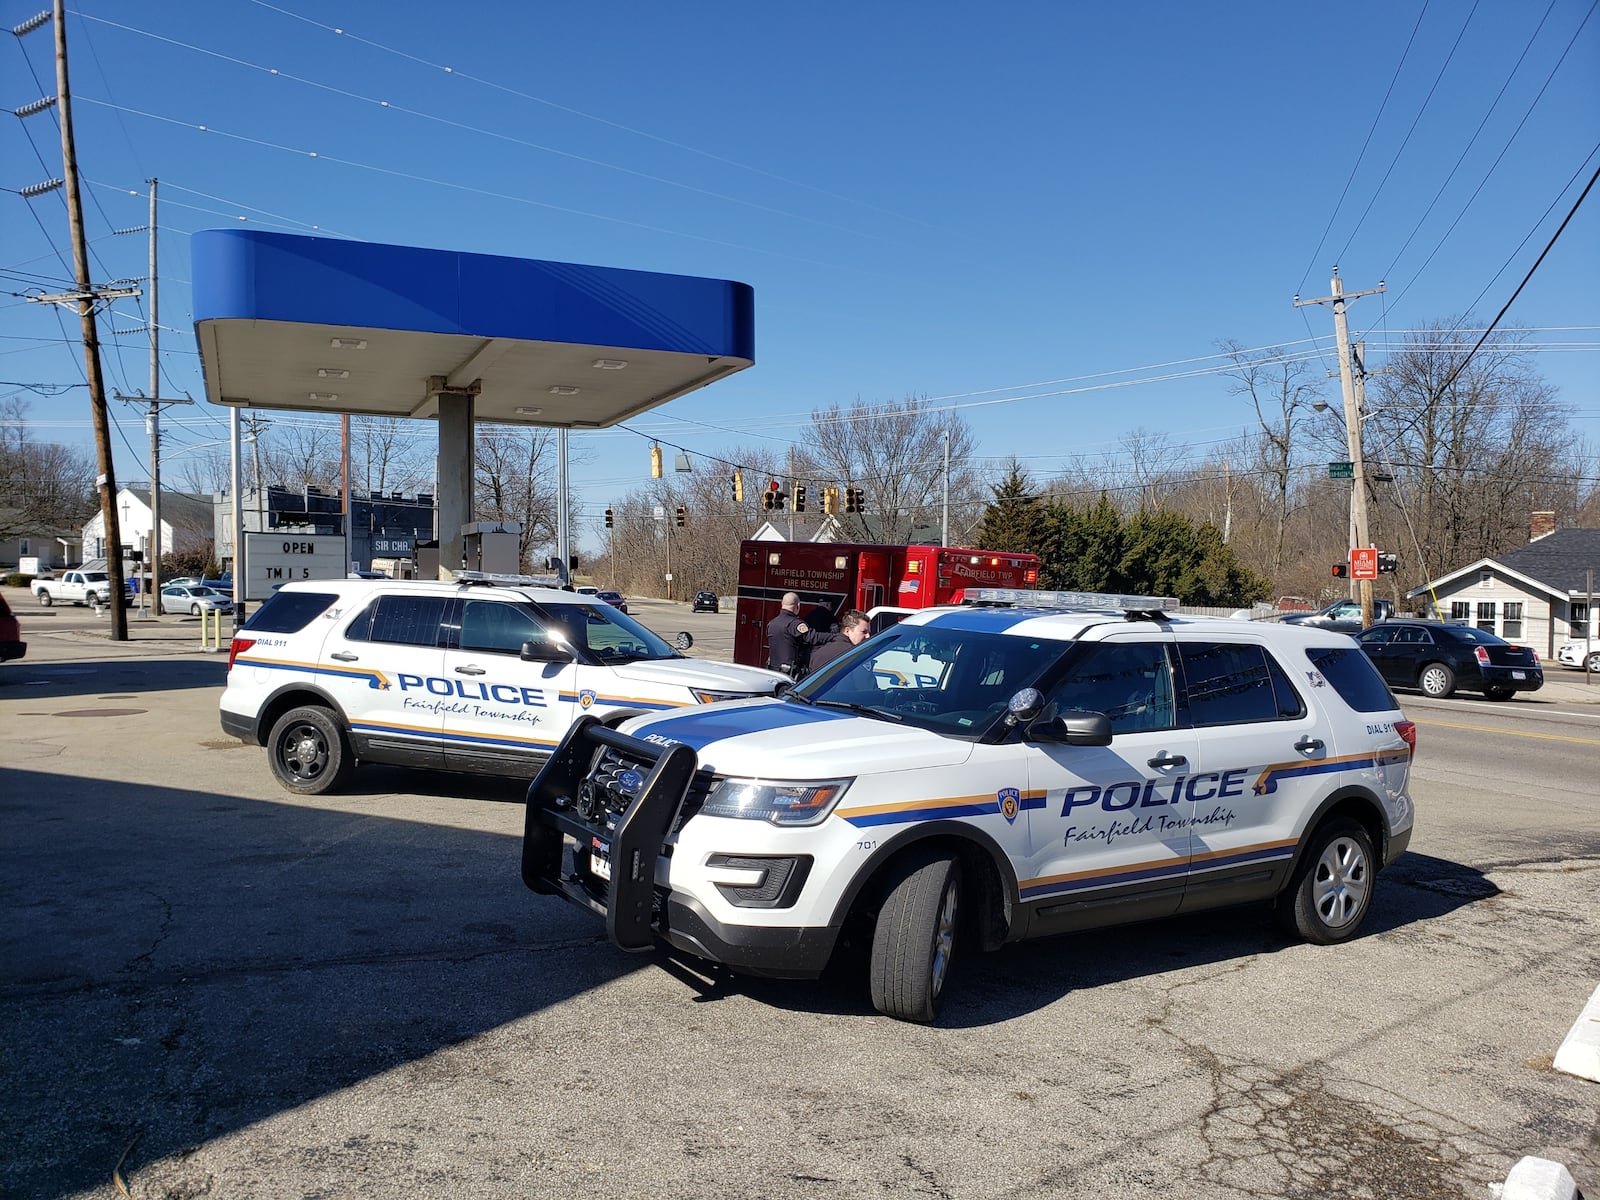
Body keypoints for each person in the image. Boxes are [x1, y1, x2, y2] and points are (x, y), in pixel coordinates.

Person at [766, 592, 833, 678]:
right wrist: (834, 636)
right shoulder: (795, 624)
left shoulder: (771, 624)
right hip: (790, 674)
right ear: (798, 605)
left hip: (773, 672)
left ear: (782, 604)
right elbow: (813, 637)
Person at [806, 610, 870, 673]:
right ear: (847, 631)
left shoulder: (818, 653)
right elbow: (867, 681)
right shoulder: (854, 655)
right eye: (864, 632)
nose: (868, 636)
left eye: (868, 632)